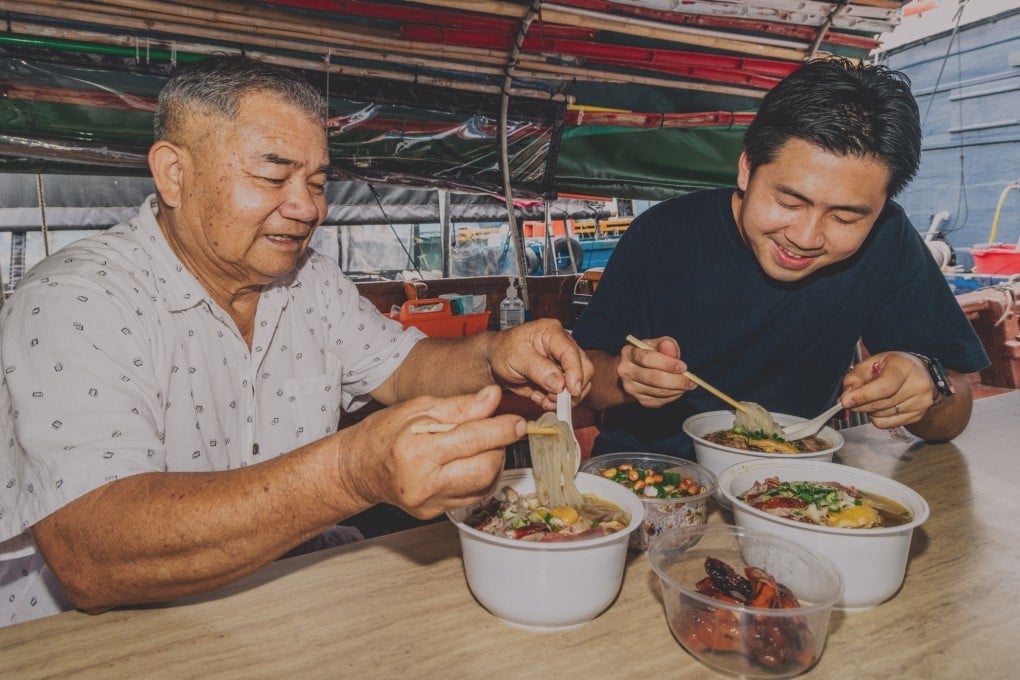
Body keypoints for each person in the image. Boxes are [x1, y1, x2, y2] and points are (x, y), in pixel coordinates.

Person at [0, 55, 592, 625]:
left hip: (281, 605)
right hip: (89, 639)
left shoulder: (310, 281)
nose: (307, 207)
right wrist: (349, 472)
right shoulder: (75, 299)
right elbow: (92, 554)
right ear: (175, 174)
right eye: (273, 174)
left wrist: (494, 354)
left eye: (316, 181)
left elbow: (405, 365)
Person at [572, 57, 989, 459]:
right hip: (648, 481)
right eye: (789, 202)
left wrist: (926, 389)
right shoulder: (662, 233)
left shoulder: (887, 240)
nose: (806, 238)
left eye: (845, 217)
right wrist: (627, 379)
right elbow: (587, 375)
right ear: (747, 168)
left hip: (793, 486)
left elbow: (955, 414)